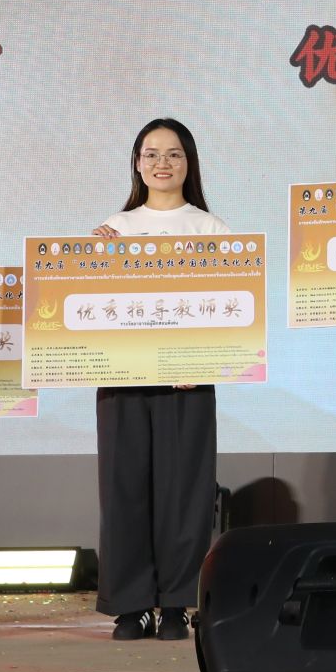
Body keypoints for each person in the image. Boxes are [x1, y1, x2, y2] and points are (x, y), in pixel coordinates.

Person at [92, 118, 231, 642]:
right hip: (123, 381)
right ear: (137, 163)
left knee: (185, 494)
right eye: (151, 154)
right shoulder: (115, 228)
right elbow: (90, 305)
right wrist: (88, 259)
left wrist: (204, 362)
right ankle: (131, 606)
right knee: (123, 490)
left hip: (187, 382)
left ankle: (176, 603)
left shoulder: (211, 229)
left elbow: (232, 306)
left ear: (189, 162)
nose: (162, 163)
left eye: (173, 154)